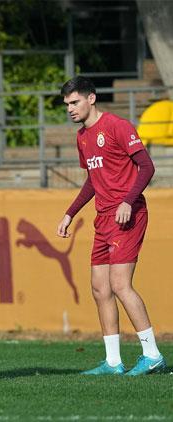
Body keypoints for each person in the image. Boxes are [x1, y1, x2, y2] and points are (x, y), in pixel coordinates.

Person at [57, 76, 165, 376]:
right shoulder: (82, 137)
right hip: (103, 218)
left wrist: (128, 201)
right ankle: (114, 362)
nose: (70, 109)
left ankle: (152, 354)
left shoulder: (117, 126)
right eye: (67, 104)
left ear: (91, 98)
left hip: (127, 215)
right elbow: (93, 179)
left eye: (74, 102)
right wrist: (70, 213)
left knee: (119, 284)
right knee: (99, 287)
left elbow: (147, 166)